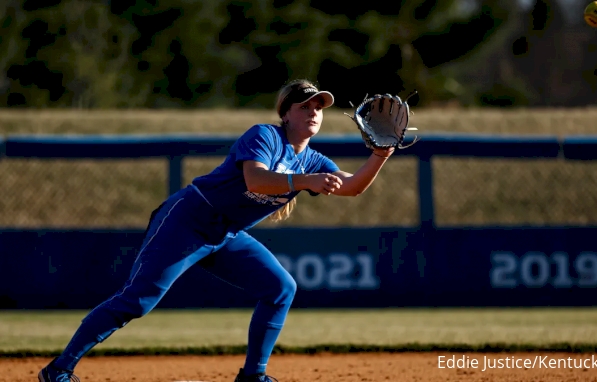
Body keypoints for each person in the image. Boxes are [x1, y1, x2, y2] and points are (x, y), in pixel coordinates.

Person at [38, 79, 396, 382]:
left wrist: (380, 155)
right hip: (188, 219)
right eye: (304, 105)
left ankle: (253, 376)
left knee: (280, 288)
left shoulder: (313, 160)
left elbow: (351, 187)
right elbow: (256, 178)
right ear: (285, 113)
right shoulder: (265, 136)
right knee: (138, 300)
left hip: (226, 234)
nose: (314, 111)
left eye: (319, 105)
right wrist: (307, 181)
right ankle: (59, 369)